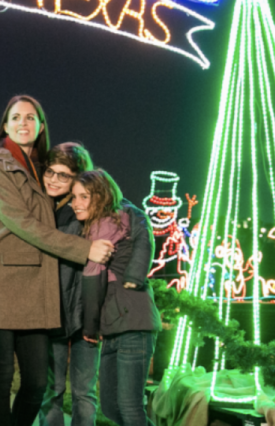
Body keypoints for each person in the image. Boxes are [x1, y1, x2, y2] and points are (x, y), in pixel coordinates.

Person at [0, 95, 113, 426]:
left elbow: (79, 192)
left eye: (30, 117)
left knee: (35, 382)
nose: (23, 123)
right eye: (16, 117)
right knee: (2, 376)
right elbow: (21, 222)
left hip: (33, 288)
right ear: (5, 126)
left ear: (41, 126)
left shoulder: (40, 167)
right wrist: (83, 249)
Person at [77, 170, 160, 426]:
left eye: (83, 196)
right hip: (113, 327)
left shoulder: (109, 225)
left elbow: (93, 281)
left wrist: (89, 327)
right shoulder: (111, 221)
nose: (75, 203)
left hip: (133, 323)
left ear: (100, 196)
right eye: (74, 197)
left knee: (130, 407)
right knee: (111, 407)